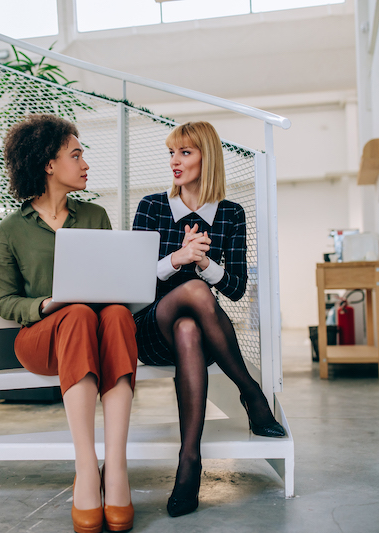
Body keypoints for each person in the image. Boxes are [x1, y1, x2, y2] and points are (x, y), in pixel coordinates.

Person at [0, 114, 137, 533]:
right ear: (49, 164)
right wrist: (50, 303)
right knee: (73, 312)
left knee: (116, 313)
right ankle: (87, 467)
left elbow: (112, 282)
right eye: (76, 155)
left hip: (96, 330)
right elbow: (4, 300)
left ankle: (117, 466)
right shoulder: (12, 229)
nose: (85, 163)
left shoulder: (95, 216)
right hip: (42, 339)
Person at [132, 121, 286, 518]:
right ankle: (251, 392)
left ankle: (189, 461)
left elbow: (234, 288)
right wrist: (177, 260)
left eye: (185, 152)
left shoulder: (230, 215)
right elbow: (131, 282)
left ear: (207, 157)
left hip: (199, 337)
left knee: (189, 325)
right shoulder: (151, 206)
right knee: (197, 294)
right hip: (150, 326)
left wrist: (204, 262)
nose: (174, 162)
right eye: (171, 153)